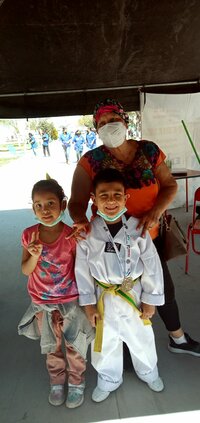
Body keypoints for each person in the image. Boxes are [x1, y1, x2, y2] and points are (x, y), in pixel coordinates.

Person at [68, 97, 200, 357]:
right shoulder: (90, 161)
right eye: (102, 123)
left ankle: (178, 338)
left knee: (161, 287)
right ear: (96, 128)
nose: (109, 125)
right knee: (117, 291)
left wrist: (156, 212)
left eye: (113, 120)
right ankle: (123, 344)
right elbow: (76, 201)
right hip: (109, 240)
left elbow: (170, 185)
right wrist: (80, 221)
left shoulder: (148, 151)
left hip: (146, 236)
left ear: (125, 121)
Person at [75, 168, 165, 402]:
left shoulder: (138, 228)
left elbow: (152, 265)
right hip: (103, 295)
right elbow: (82, 271)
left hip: (133, 295)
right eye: (104, 195)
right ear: (94, 200)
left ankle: (148, 371)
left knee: (141, 337)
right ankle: (109, 378)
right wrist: (89, 305)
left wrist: (150, 299)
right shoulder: (87, 233)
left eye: (117, 195)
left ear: (126, 197)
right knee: (105, 341)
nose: (111, 201)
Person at [18, 179, 94, 408]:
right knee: (51, 348)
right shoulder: (29, 235)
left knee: (74, 345)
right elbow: (25, 270)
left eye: (51, 203)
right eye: (38, 205)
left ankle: (77, 382)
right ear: (32, 209)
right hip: (42, 303)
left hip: (71, 303)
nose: (45, 210)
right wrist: (33, 254)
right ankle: (57, 381)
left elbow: (82, 270)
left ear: (63, 204)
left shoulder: (72, 236)